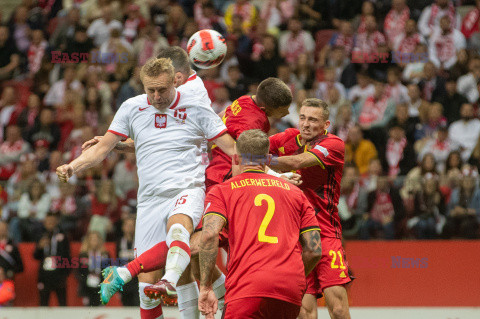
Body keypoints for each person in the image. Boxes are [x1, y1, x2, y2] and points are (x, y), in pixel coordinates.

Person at [57, 57, 236, 319]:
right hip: (150, 199)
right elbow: (103, 147)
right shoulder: (131, 107)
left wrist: (271, 171)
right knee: (145, 287)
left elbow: (232, 148)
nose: (156, 95)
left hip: (187, 188)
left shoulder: (197, 108)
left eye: (162, 89)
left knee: (179, 230)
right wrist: (74, 166)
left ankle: (168, 282)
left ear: (175, 80)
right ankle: (159, 281)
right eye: (150, 89)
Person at [198, 129, 322, 319]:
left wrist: (206, 286)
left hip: (247, 288)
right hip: (290, 289)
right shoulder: (296, 193)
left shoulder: (222, 191)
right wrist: (292, 275)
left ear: (236, 158)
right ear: (267, 160)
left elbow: (208, 236)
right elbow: (314, 250)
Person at [267, 98, 353, 319]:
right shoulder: (287, 137)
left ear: (326, 124)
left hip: (325, 233)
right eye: (302, 117)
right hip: (296, 237)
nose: (305, 124)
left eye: (313, 120)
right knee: (305, 311)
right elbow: (251, 147)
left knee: (338, 308)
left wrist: (261, 160)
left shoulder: (334, 145)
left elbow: (298, 162)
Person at [33, 213, 71, 306]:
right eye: (48, 222)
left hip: (59, 274)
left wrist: (65, 273)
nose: (50, 224)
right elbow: (36, 256)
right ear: (44, 223)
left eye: (52, 222)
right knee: (43, 303)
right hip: (45, 275)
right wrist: (39, 247)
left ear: (56, 222)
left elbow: (67, 255)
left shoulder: (63, 235)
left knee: (62, 303)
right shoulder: (41, 235)